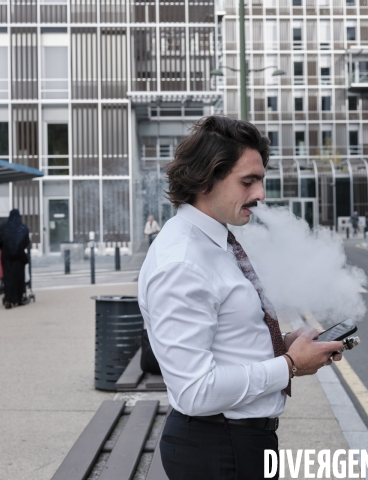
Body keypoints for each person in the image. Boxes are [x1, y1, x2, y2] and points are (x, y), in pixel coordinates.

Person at [137, 116, 344, 480]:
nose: (260, 194)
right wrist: (290, 366)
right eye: (248, 181)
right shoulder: (183, 263)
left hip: (235, 444)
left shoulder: (214, 242)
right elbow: (194, 392)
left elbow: (228, 341)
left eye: (260, 180)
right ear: (206, 178)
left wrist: (283, 345)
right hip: (219, 450)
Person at [0, 209, 30, 309]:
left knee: (8, 278)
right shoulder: (23, 228)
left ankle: (8, 299)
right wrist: (18, 248)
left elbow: (0, 242)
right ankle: (19, 299)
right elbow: (26, 242)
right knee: (19, 278)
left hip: (7, 257)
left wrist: (6, 248)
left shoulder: (4, 227)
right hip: (19, 257)